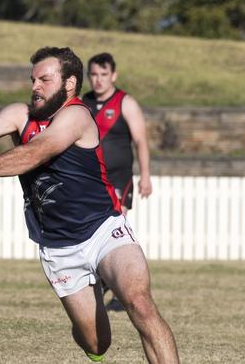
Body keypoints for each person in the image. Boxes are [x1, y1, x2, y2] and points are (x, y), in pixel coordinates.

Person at [0, 47, 178, 363]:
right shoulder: (21, 115)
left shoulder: (77, 114)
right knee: (97, 344)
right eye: (33, 79)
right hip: (59, 248)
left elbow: (36, 153)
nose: (35, 87)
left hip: (103, 229)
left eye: (45, 79)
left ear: (69, 83)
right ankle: (93, 297)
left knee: (139, 302)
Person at [82, 52, 153, 312]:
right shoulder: (82, 103)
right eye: (94, 75)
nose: (98, 80)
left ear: (113, 75)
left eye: (103, 74)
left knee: (114, 230)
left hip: (118, 180)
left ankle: (122, 286)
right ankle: (103, 282)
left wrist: (145, 176)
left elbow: (141, 141)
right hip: (90, 180)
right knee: (92, 231)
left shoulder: (126, 103)